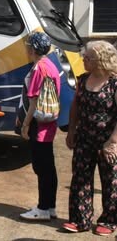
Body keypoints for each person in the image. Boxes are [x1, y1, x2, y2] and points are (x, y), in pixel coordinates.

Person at [62, 41, 117, 235]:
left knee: (111, 181)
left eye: (88, 57)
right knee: (80, 178)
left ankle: (109, 221)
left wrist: (113, 142)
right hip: (84, 138)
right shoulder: (83, 79)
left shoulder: (114, 83)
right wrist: (71, 131)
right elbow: (76, 106)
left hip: (108, 141)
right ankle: (80, 220)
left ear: (100, 60)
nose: (83, 59)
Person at [18, 32, 61, 221]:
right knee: (48, 167)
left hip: (39, 123)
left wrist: (25, 124)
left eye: (28, 45)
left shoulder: (38, 68)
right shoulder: (51, 65)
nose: (26, 48)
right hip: (50, 123)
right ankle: (49, 206)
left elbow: (33, 101)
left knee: (41, 167)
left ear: (33, 48)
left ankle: (42, 208)